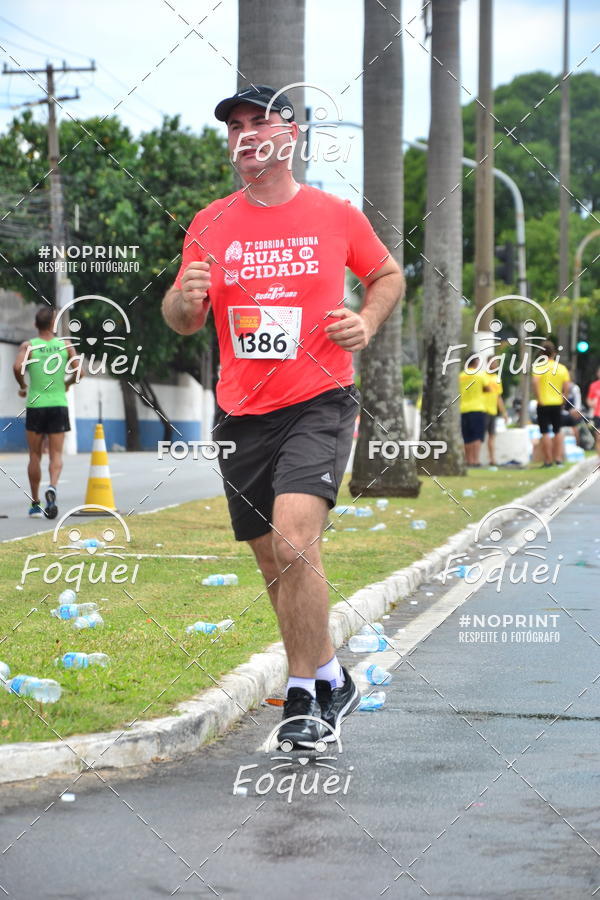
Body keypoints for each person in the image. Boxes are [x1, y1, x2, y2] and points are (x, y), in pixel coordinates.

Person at [162, 85, 404, 749]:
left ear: (290, 135)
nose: (244, 135)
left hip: (320, 400)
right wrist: (185, 300)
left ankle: (301, 698)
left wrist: (366, 320)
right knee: (276, 562)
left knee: (297, 540)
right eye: (234, 126)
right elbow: (183, 318)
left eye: (257, 122)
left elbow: (388, 275)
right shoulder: (211, 222)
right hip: (242, 414)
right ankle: (330, 675)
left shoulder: (335, 216)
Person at [13, 306, 80, 518]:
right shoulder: (65, 345)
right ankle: (52, 487)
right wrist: (68, 383)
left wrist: (23, 385)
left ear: (35, 325)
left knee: (34, 455)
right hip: (58, 404)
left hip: (35, 405)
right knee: (56, 454)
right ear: (54, 325)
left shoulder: (29, 346)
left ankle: (35, 503)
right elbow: (80, 370)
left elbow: (17, 368)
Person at [531, 340, 570, 467]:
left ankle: (548, 460)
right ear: (554, 353)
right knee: (558, 430)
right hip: (557, 403)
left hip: (543, 403)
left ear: (542, 353)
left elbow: (535, 382)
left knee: (545, 432)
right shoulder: (561, 368)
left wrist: (539, 398)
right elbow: (566, 386)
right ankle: (558, 458)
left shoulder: (538, 367)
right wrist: (563, 399)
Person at [459, 355, 490, 467]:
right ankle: (475, 460)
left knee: (466, 436)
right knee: (477, 436)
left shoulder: (460, 376)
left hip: (463, 409)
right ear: (475, 362)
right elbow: (488, 388)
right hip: (477, 408)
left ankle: (468, 460)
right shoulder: (479, 375)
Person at [483, 357, 508, 467]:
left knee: (492, 436)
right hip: (482, 410)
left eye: (497, 362)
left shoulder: (497, 379)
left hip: (492, 411)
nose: (496, 364)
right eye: (494, 362)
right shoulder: (482, 377)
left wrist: (504, 413)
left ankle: (492, 459)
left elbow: (499, 397)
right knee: (478, 437)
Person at [586, 366, 600, 455]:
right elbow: (588, 399)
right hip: (597, 414)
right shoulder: (593, 385)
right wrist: (591, 403)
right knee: (598, 437)